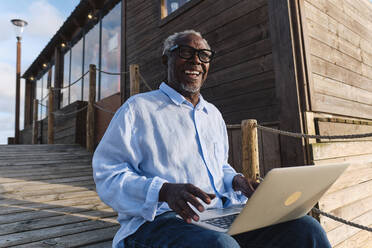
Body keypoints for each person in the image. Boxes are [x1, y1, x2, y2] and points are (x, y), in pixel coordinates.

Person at [93, 30, 331, 248]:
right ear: (167, 59)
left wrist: (235, 181)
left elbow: (219, 166)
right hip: (158, 222)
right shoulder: (138, 109)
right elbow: (108, 174)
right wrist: (163, 191)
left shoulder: (213, 115)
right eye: (186, 52)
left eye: (204, 55)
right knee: (221, 246)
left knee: (306, 229)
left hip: (219, 217)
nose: (196, 60)